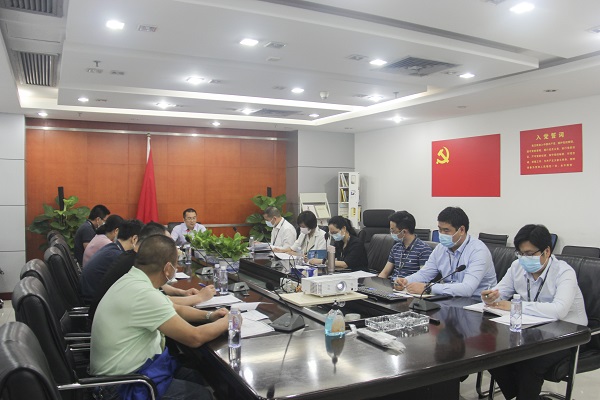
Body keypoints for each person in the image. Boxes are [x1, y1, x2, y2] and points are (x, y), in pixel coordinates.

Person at [91, 235, 229, 400]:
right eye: (176, 264)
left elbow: (176, 309)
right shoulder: (144, 294)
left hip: (134, 373)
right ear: (168, 268)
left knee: (195, 376)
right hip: (122, 386)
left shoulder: (133, 279)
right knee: (202, 395)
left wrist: (210, 316)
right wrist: (229, 322)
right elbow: (195, 337)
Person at [483, 224, 587, 400]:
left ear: (547, 251)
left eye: (529, 254)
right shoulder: (517, 266)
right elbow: (501, 291)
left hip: (568, 335)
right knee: (492, 353)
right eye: (520, 253)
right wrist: (490, 297)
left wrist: (516, 306)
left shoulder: (564, 272)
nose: (524, 258)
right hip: (534, 330)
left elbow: (559, 310)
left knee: (530, 362)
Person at [88, 222, 216, 321]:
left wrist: (182, 292)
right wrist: (199, 298)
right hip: (110, 323)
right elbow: (160, 302)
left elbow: (159, 296)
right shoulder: (134, 264)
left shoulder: (132, 258)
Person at [395, 207, 496, 297]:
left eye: (446, 230)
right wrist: (406, 281)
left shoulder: (478, 251)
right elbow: (425, 273)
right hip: (449, 298)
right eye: (440, 230)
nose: (441, 234)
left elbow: (467, 289)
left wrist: (428, 288)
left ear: (461, 230)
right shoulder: (441, 248)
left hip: (477, 302)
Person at [80, 219, 143, 303]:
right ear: (134, 239)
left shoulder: (111, 248)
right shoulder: (118, 256)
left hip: (90, 297)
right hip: (93, 302)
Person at [378, 211, 433, 280]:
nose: (391, 233)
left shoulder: (424, 249)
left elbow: (424, 278)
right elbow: (385, 273)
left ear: (404, 232)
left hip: (410, 285)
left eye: (393, 231)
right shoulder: (396, 247)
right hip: (392, 284)